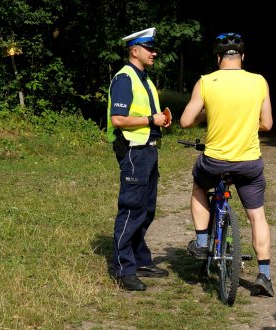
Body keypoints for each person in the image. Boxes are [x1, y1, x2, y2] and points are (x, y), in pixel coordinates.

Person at [179, 32, 276, 297]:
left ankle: (201, 241)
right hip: (248, 163)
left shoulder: (207, 82)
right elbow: (267, 124)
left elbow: (185, 121)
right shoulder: (259, 82)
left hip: (215, 161)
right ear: (243, 57)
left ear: (218, 57)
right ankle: (264, 275)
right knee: (257, 215)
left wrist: (208, 113)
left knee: (200, 186)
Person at [106, 27, 172, 291]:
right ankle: (123, 269)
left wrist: (159, 122)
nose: (154, 53)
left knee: (147, 210)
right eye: (149, 48)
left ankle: (141, 260)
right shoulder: (124, 78)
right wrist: (149, 120)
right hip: (134, 152)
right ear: (135, 51)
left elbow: (147, 115)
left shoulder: (143, 78)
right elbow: (118, 120)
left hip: (148, 149)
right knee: (132, 209)